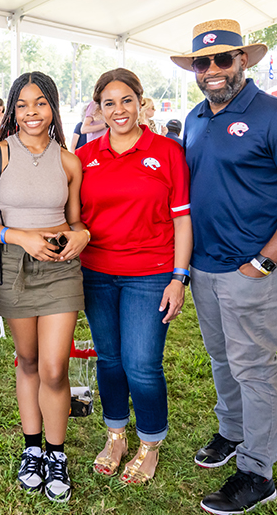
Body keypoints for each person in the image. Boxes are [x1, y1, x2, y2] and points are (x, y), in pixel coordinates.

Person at [171, 19, 277, 515]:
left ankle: (258, 471)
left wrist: (264, 261)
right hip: (204, 270)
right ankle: (233, 433)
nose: (213, 70)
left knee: (254, 369)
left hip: (251, 271)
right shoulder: (196, 117)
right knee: (223, 359)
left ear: (243, 61)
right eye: (203, 62)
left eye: (223, 59)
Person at [76, 68, 191, 485]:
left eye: (127, 100)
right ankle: (116, 436)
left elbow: (183, 220)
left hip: (151, 273)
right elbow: (76, 217)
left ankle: (149, 444)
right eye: (109, 102)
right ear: (99, 109)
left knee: (141, 363)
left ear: (141, 103)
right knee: (109, 359)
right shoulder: (86, 156)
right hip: (97, 273)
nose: (119, 109)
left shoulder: (167, 151)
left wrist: (180, 277)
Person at [0, 71, 88, 503]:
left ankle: (56, 454)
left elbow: (77, 220)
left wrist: (81, 235)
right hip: (14, 265)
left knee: (54, 368)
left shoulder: (69, 160)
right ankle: (32, 449)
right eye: (21, 105)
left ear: (53, 108)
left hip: (62, 267)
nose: (30, 113)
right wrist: (18, 236)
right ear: (10, 110)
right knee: (27, 361)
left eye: (40, 103)